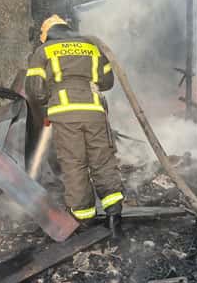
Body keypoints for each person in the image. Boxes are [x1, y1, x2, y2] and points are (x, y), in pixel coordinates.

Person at [24, 14, 124, 231]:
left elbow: (35, 90)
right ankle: (114, 216)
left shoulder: (44, 51)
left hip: (65, 114)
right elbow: (107, 82)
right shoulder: (91, 47)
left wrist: (52, 95)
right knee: (102, 161)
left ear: (46, 34)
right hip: (95, 112)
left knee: (74, 164)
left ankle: (84, 219)